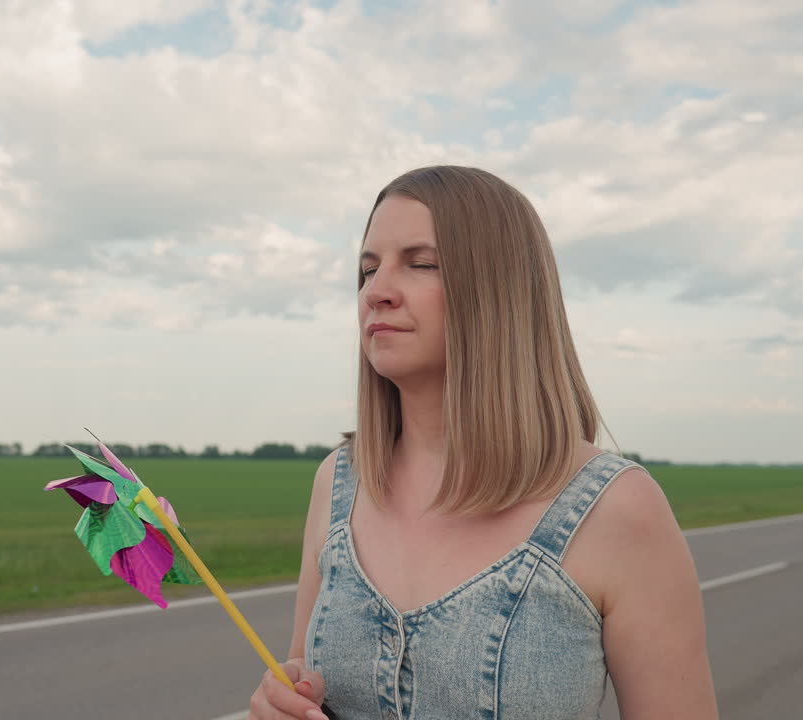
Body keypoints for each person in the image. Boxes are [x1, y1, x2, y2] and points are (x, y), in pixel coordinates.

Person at [248, 165, 718, 719]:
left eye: (421, 264)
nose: (377, 292)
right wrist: (279, 706)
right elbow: (302, 683)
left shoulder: (616, 508)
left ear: (500, 292)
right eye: (367, 270)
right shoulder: (338, 483)